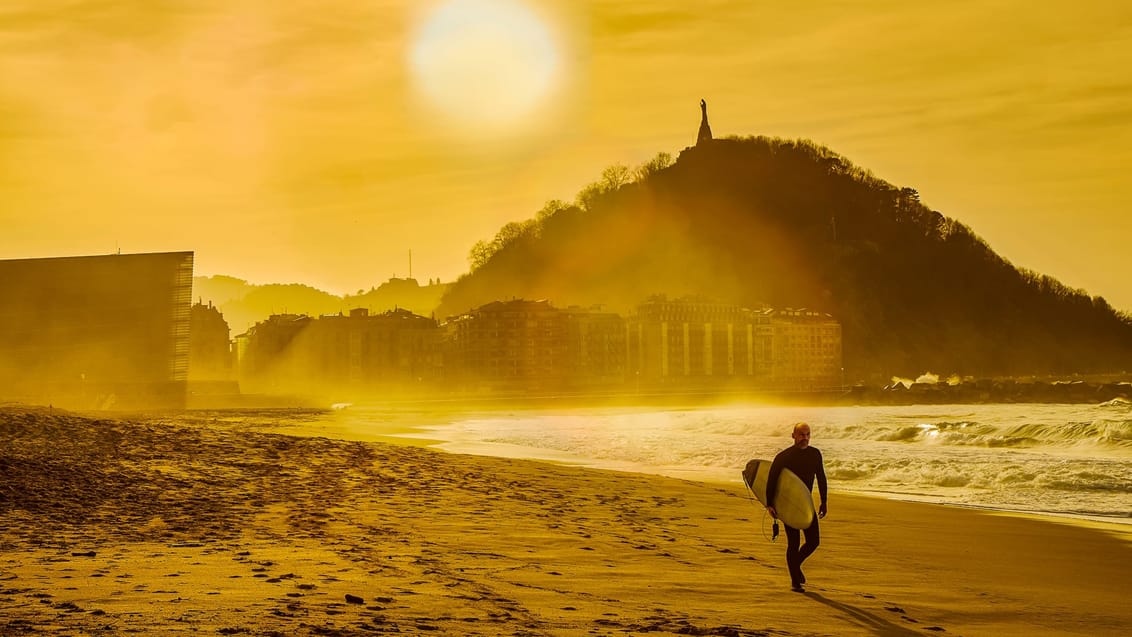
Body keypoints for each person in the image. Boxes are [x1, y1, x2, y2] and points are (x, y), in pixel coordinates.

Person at [766, 422, 828, 592]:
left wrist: (824, 501)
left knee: (814, 541)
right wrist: (769, 504)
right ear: (793, 435)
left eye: (808, 434)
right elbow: (771, 479)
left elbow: (821, 477)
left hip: (806, 504)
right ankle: (795, 582)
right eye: (801, 434)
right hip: (787, 505)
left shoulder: (815, 454)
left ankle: (795, 565)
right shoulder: (784, 457)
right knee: (793, 543)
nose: (805, 438)